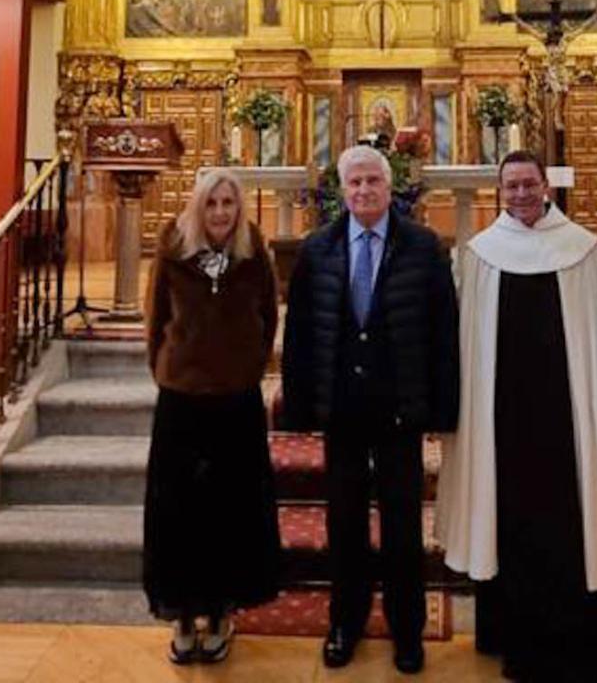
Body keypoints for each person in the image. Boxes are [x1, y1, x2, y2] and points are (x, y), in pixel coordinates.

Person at [436, 151, 597, 682]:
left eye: (529, 184)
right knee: (514, 522)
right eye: (512, 186)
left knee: (578, 521)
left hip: (573, 418)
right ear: (500, 191)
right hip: (505, 422)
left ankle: (587, 641)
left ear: (545, 187)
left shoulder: (582, 250)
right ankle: (516, 639)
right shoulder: (481, 254)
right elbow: (467, 342)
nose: (522, 194)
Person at [282, 144, 460, 675]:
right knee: (345, 522)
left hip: (400, 407)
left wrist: (442, 409)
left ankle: (408, 630)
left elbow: (443, 334)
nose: (363, 191)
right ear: (342, 189)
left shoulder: (425, 247)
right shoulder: (318, 248)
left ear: (389, 187)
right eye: (354, 183)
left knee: (403, 524)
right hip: (342, 408)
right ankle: (345, 622)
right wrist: (301, 407)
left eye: (372, 182)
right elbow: (299, 337)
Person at [142, 168, 282, 664]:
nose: (221, 212)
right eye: (213, 203)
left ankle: (222, 609)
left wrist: (251, 365)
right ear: (198, 207)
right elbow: (156, 315)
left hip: (236, 398)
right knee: (179, 509)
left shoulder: (253, 251)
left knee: (231, 508)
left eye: (228, 203)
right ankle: (181, 612)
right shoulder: (174, 248)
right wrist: (166, 368)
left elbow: (268, 313)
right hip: (182, 396)